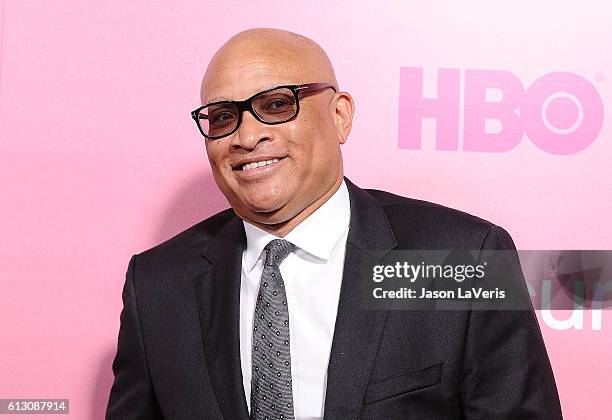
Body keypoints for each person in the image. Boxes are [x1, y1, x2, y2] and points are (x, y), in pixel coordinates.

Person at [106, 28, 562, 419]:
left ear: (339, 115)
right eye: (224, 117)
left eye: (277, 104)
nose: (247, 137)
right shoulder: (157, 285)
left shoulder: (466, 257)